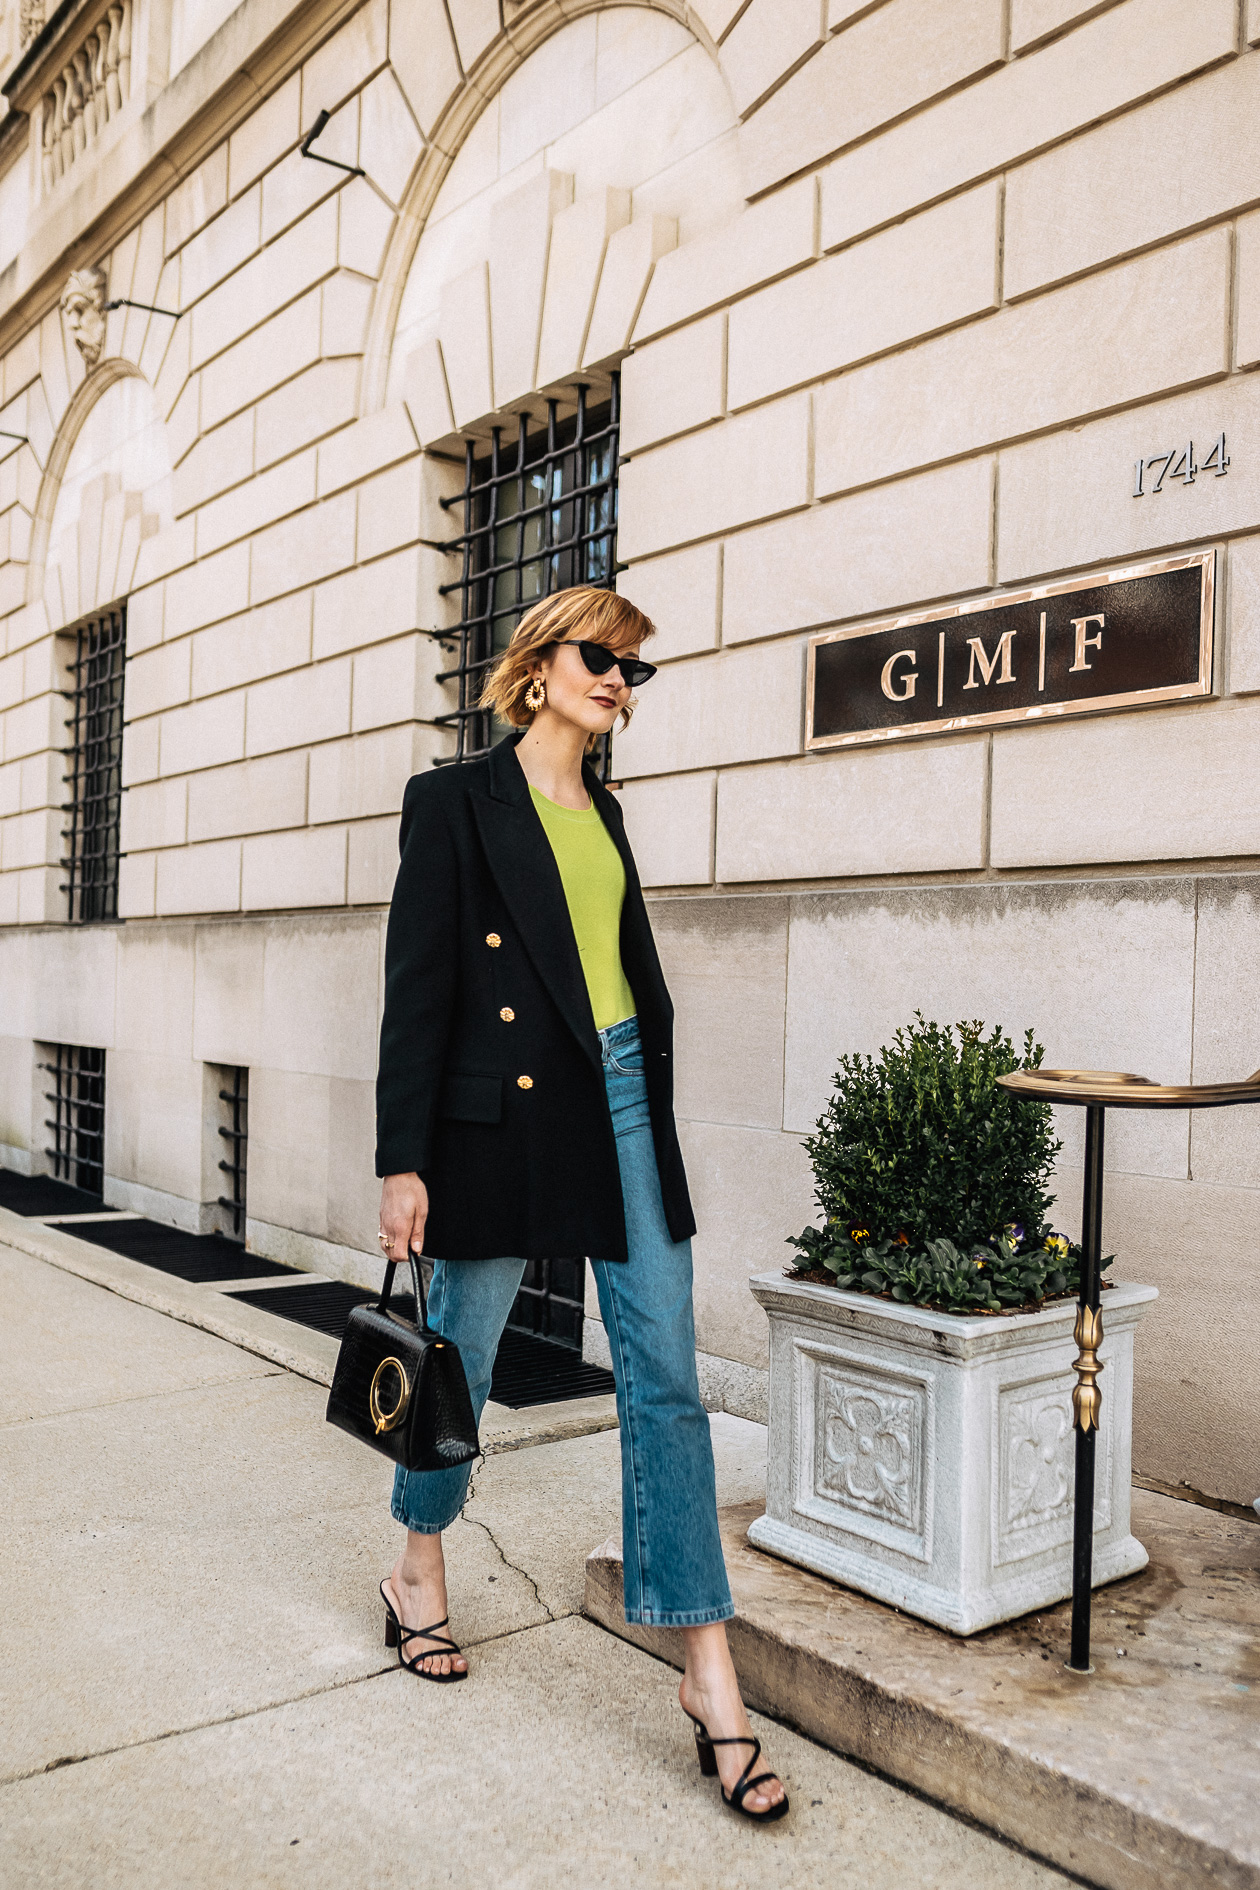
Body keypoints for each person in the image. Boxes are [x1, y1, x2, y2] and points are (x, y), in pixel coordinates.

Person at [374, 585, 788, 1823]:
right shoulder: (453, 802)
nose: (619, 682)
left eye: (635, 670)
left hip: (618, 1108)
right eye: (601, 659)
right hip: (496, 1122)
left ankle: (709, 1670)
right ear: (537, 666)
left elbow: (620, 985)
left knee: (664, 1378)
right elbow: (418, 988)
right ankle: (417, 1563)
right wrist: (405, 1161)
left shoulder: (606, 813)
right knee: (467, 1357)